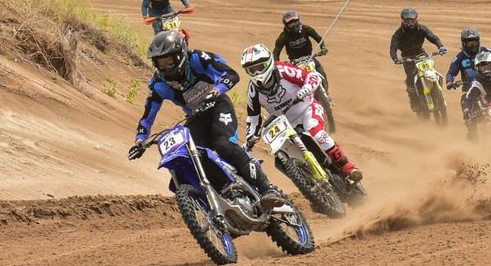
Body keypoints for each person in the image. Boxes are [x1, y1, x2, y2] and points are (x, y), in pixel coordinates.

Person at [126, 31, 280, 204]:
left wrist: (215, 91)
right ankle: (225, 192)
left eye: (169, 60)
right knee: (191, 156)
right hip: (196, 117)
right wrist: (140, 141)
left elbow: (232, 74)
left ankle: (267, 188)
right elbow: (148, 116)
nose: (165, 67)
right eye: (160, 62)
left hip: (219, 106)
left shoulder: (199, 58)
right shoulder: (158, 84)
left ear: (180, 55)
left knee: (222, 144)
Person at [240, 43, 361, 182]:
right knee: (282, 155)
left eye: (259, 67)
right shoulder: (253, 90)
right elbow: (253, 117)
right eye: (251, 70)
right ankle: (312, 188)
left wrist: (307, 88)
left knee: (315, 131)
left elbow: (312, 77)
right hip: (285, 124)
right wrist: (250, 137)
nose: (256, 73)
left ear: (268, 63)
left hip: (307, 109)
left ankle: (348, 168)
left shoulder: (283, 70)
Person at [272, 10, 333, 126]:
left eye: (295, 21)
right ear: (286, 25)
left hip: (310, 57)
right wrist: (277, 65)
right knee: (295, 82)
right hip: (295, 62)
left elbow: (318, 37)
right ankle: (301, 104)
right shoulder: (283, 37)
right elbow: (276, 51)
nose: (293, 24)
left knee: (322, 73)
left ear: (299, 20)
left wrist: (323, 48)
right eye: (290, 23)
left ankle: (327, 94)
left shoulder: (306, 29)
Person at [446, 28, 491, 132]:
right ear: (464, 44)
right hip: (468, 87)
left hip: (487, 85)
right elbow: (451, 72)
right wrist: (449, 81)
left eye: (474, 42)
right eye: (469, 43)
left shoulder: (486, 51)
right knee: (466, 107)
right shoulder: (460, 57)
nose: (473, 45)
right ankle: (472, 133)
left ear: (478, 41)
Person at [389, 7, 447, 112]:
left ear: (416, 19)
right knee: (411, 79)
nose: (410, 22)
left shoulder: (422, 29)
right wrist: (395, 59)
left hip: (421, 54)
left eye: (412, 19)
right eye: (407, 20)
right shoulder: (398, 34)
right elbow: (393, 48)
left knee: (432, 71)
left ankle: (437, 90)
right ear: (402, 20)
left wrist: (441, 46)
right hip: (407, 58)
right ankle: (414, 101)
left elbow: (433, 37)